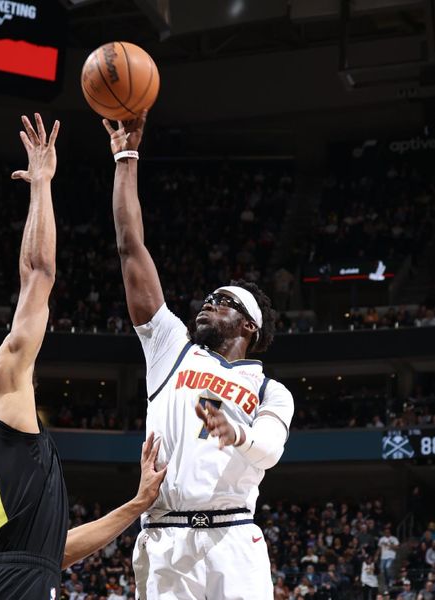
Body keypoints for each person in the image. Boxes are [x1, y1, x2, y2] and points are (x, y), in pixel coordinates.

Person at [0, 114, 167, 600]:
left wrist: (136, 505)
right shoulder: (1, 391)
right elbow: (38, 273)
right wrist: (41, 183)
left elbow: (51, 553)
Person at [103, 110, 294, 599]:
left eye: (225, 301)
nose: (210, 302)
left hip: (235, 538)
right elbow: (130, 248)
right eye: (210, 297)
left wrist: (236, 432)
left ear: (249, 326)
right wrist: (127, 157)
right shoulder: (171, 348)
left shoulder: (272, 392)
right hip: (165, 536)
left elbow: (269, 450)